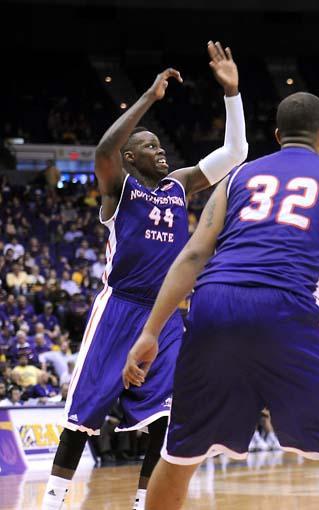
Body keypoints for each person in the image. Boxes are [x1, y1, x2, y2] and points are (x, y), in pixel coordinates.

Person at [123, 91, 319, 510]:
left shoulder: (237, 177)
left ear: (279, 135)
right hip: (287, 305)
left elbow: (192, 254)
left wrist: (151, 331)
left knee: (180, 452)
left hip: (212, 304)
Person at [42, 41, 248, 510]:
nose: (160, 151)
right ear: (130, 159)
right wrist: (148, 99)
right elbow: (105, 148)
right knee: (84, 413)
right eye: (149, 147)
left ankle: (143, 502)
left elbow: (236, 151)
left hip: (166, 314)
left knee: (167, 415)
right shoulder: (119, 189)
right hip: (119, 307)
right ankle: (53, 501)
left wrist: (232, 93)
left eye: (159, 144)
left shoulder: (179, 184)